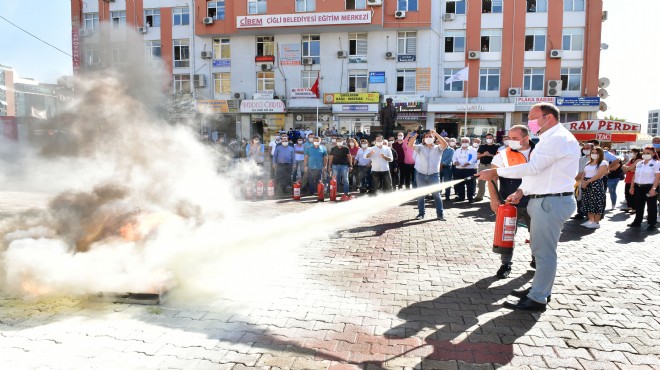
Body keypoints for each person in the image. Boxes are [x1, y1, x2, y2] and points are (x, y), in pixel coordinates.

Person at [477, 102, 580, 312]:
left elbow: (533, 168)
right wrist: (521, 191)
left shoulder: (557, 138)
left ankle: (538, 298)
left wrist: (497, 172)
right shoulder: (548, 139)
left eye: (533, 117)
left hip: (551, 201)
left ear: (548, 118)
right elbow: (540, 173)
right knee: (540, 250)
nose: (529, 122)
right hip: (544, 199)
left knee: (544, 253)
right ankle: (538, 289)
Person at [487, 125, 535, 278]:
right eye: (509, 138)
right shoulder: (502, 155)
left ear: (526, 138)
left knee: (536, 234)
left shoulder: (539, 152)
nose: (510, 141)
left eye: (515, 138)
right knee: (506, 235)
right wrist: (494, 199)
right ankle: (505, 264)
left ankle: (536, 260)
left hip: (534, 202)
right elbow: (492, 176)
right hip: (509, 203)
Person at [407, 130, 448, 220]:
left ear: (434, 138)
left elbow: (445, 144)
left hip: (434, 175)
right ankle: (421, 213)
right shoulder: (420, 147)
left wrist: (436, 134)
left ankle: (440, 214)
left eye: (430, 136)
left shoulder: (438, 148)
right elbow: (409, 145)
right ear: (423, 139)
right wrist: (416, 134)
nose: (428, 138)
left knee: (437, 195)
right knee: (421, 195)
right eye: (426, 136)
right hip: (420, 174)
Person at [628, 146, 660, 231]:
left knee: (651, 206)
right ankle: (637, 222)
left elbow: (657, 178)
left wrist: (653, 189)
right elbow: (635, 175)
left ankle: (652, 223)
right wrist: (632, 187)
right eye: (644, 153)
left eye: (648, 153)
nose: (645, 155)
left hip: (650, 187)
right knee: (639, 205)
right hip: (638, 187)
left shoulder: (656, 163)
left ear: (653, 154)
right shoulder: (640, 163)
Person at [578, 146, 608, 229]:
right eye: (593, 153)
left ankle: (596, 222)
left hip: (596, 184)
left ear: (600, 154)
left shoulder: (603, 163)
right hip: (586, 184)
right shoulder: (588, 163)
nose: (594, 154)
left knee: (596, 203)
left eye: (596, 153)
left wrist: (587, 182)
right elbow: (584, 173)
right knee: (587, 202)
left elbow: (599, 175)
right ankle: (590, 220)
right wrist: (583, 181)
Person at [571, 142, 594, 221]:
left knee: (587, 198)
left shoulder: (593, 160)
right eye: (584, 148)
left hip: (587, 181)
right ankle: (580, 213)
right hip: (578, 182)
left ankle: (588, 215)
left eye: (588, 148)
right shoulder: (581, 158)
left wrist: (580, 176)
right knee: (578, 197)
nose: (585, 150)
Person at [452, 137, 478, 202]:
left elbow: (474, 158)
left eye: (466, 141)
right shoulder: (457, 150)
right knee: (460, 184)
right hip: (459, 169)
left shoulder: (473, 150)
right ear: (461, 142)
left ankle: (470, 197)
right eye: (463, 141)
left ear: (469, 142)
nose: (464, 142)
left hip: (469, 169)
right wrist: (455, 162)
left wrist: (468, 163)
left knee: (470, 184)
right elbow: (454, 158)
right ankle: (461, 197)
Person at [475, 133, 500, 202]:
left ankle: (494, 198)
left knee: (493, 182)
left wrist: (490, 155)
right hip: (482, 165)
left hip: (492, 166)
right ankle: (480, 196)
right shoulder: (482, 147)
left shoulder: (497, 146)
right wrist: (483, 154)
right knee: (481, 182)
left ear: (493, 138)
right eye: (487, 138)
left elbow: (499, 157)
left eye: (490, 138)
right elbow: (477, 157)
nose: (488, 139)